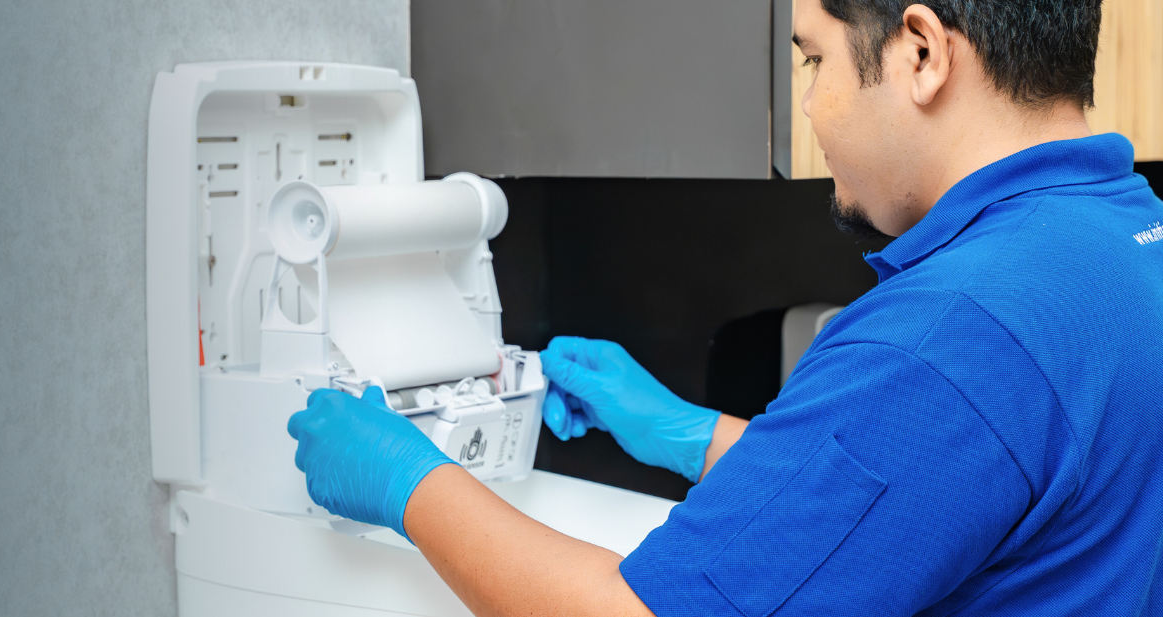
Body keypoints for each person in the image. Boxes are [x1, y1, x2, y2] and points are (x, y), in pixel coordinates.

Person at [286, 0, 1163, 614]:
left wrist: (410, 483)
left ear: (922, 52)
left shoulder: (944, 339)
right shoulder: (1125, 233)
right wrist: (690, 432)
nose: (813, 103)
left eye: (814, 57)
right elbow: (948, 477)